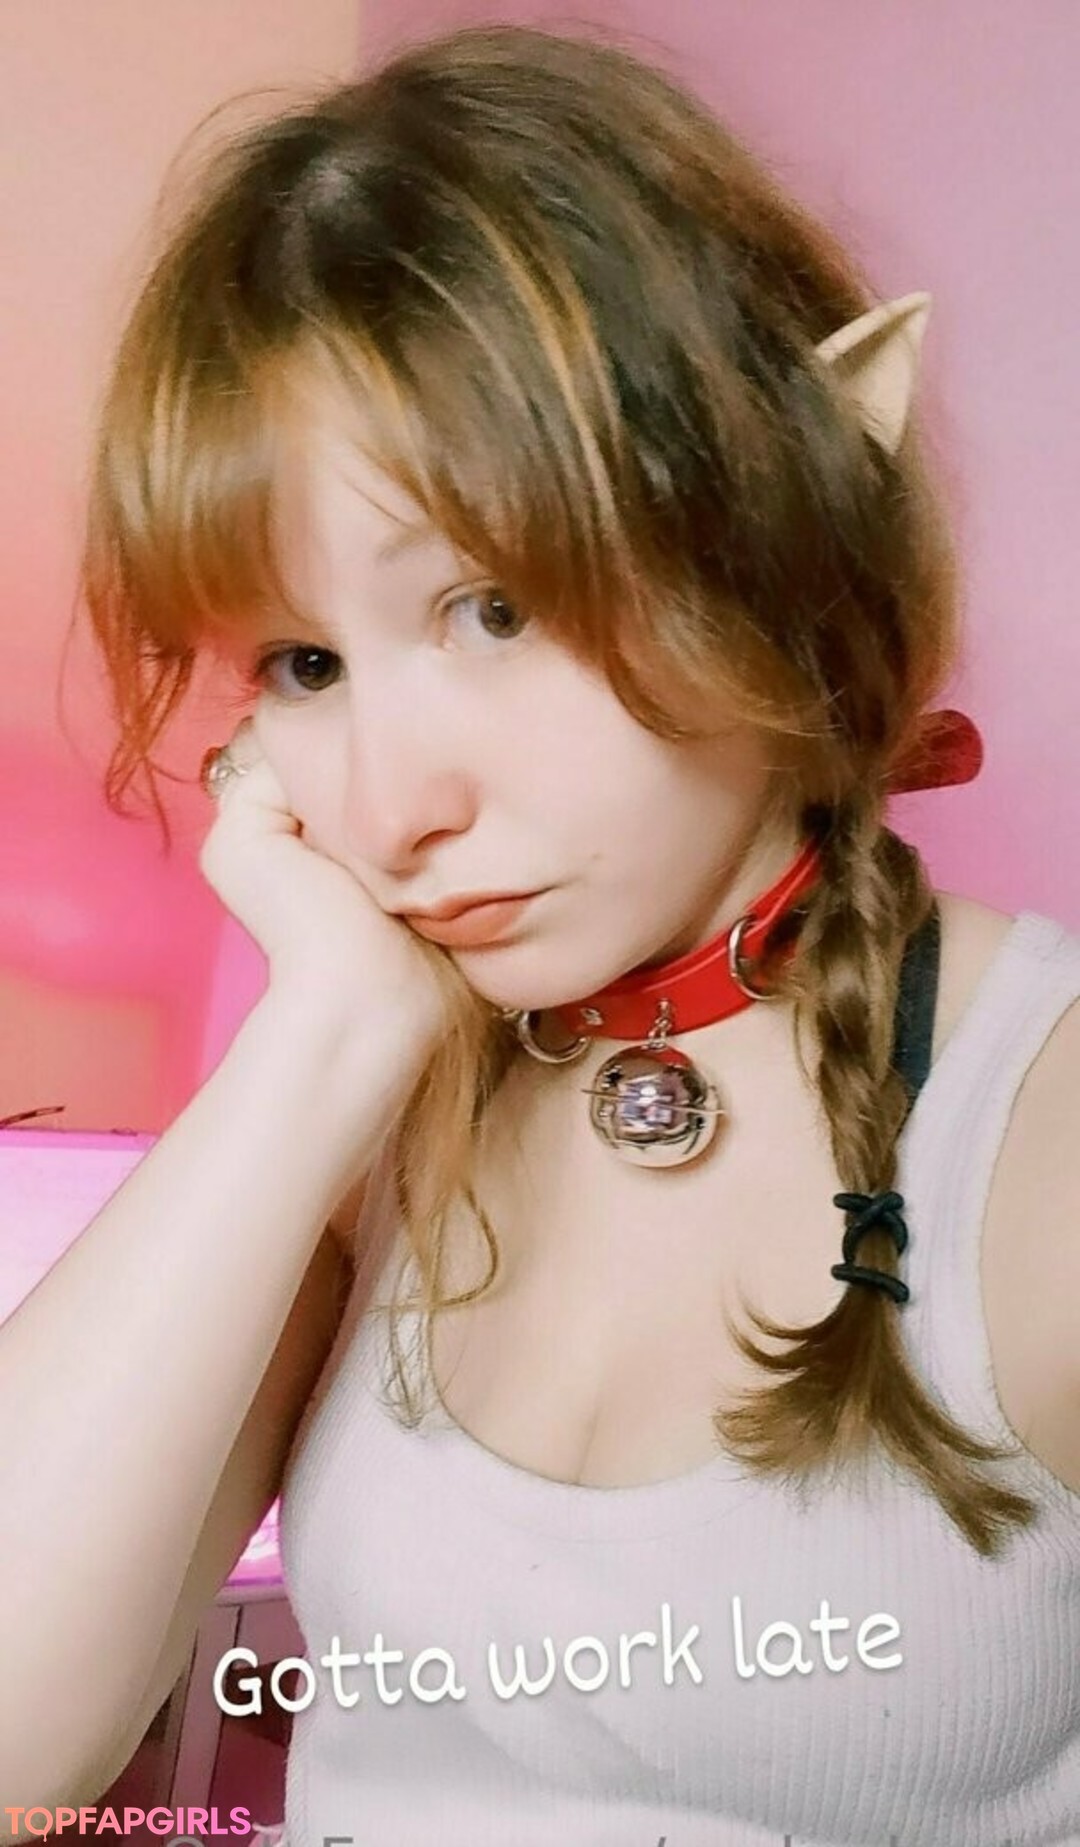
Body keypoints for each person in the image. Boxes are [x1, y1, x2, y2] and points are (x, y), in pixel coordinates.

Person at [2, 22, 1079, 1847]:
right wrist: (328, 1032)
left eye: (493, 607)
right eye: (305, 663)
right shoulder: (377, 1111)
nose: (393, 803)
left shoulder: (1037, 1122)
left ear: (780, 530)